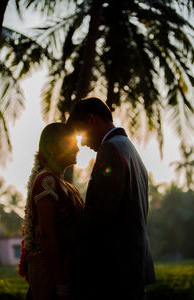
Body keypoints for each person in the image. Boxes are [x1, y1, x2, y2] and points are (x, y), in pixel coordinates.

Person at [66, 97, 156, 300]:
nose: (82, 143)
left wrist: (68, 235)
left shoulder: (110, 149)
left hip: (115, 271)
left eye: (81, 134)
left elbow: (103, 212)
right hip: (132, 266)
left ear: (92, 121)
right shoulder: (129, 148)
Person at [18, 122, 84, 300]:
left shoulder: (62, 183)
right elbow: (47, 235)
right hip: (53, 279)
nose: (77, 148)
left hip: (68, 269)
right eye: (70, 143)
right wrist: (60, 284)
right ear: (52, 148)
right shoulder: (47, 180)